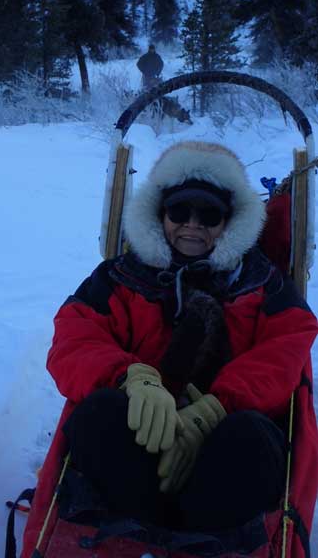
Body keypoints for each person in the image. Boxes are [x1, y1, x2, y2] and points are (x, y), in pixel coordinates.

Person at [46, 141, 318, 532]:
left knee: (251, 438)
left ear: (230, 222)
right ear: (160, 215)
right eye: (179, 210)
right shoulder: (119, 277)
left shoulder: (265, 284)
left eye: (209, 215)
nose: (192, 224)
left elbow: (285, 352)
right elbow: (74, 337)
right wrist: (133, 377)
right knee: (97, 415)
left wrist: (218, 407)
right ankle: (151, 524)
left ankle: (199, 529)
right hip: (141, 439)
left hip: (226, 444)